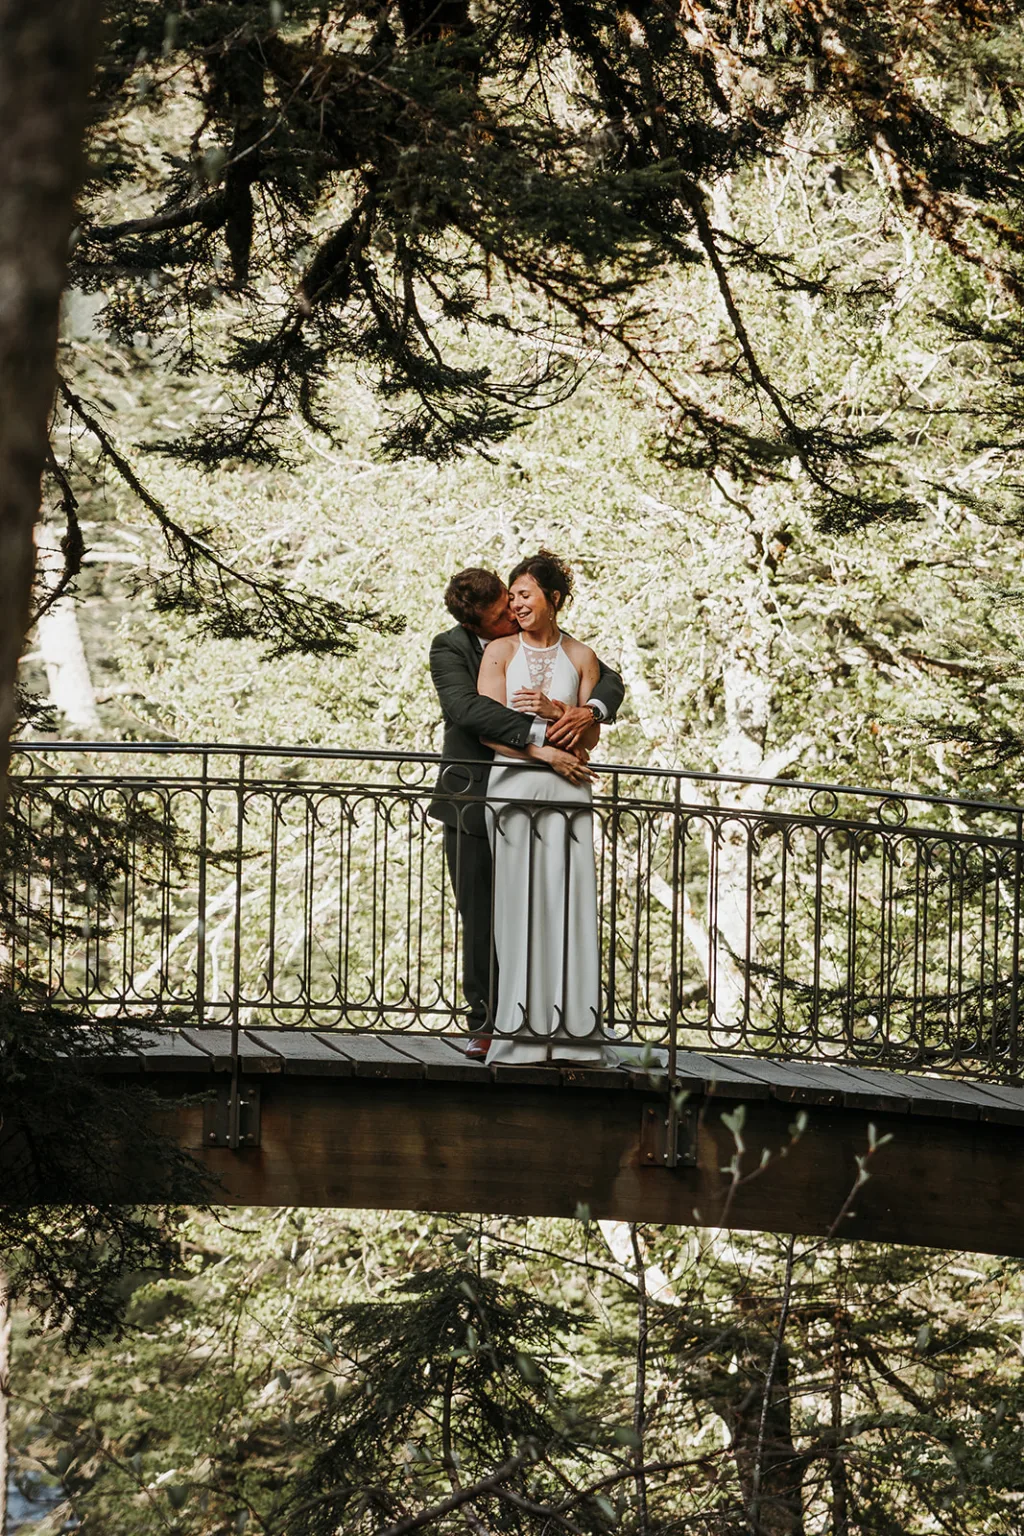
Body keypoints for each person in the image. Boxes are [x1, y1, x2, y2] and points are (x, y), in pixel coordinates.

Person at [428, 566, 623, 1055]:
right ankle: (487, 1022)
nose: (512, 617)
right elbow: (470, 712)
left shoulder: (542, 631)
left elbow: (608, 679)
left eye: (511, 604)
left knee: (554, 903)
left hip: (555, 792)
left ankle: (561, 1015)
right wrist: (546, 743)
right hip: (474, 796)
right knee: (482, 913)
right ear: (476, 625)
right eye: (499, 616)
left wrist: (587, 710)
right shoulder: (451, 649)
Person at [477, 551, 612, 1064]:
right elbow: (491, 727)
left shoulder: (582, 657)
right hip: (514, 788)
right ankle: (519, 1035)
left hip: (570, 790)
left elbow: (591, 736)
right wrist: (547, 751)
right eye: (512, 596)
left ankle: (574, 1034)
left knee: (568, 904)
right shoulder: (499, 652)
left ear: (553, 599)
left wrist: (563, 714)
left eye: (525, 594)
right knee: (518, 906)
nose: (516, 603)